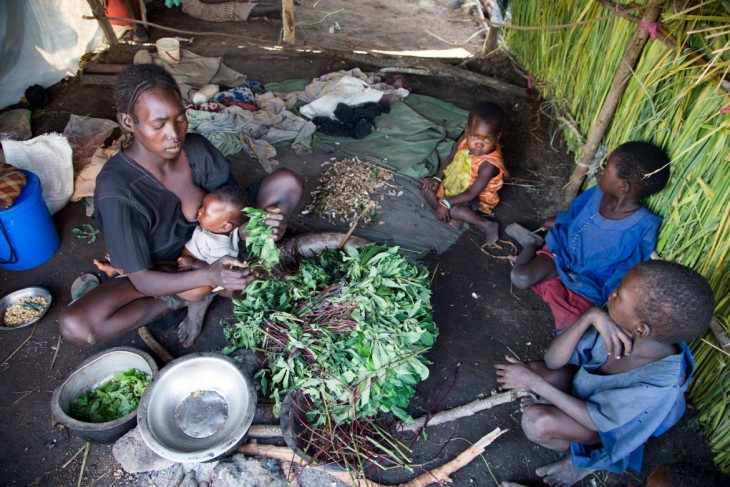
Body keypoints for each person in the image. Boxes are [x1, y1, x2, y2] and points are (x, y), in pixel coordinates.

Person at [59, 63, 303, 348]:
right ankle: (188, 299)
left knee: (287, 182)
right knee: (77, 326)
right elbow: (142, 281)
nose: (174, 134)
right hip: (165, 273)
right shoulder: (118, 191)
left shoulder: (195, 149)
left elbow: (231, 210)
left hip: (218, 243)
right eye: (158, 124)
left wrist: (260, 227)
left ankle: (217, 283)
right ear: (128, 122)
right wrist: (208, 275)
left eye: (180, 119)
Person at [495, 260, 715, 487]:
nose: (612, 293)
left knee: (535, 422)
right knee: (536, 372)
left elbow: (596, 421)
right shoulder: (624, 323)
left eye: (619, 293)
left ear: (641, 328)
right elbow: (552, 360)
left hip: (604, 430)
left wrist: (537, 385)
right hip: (587, 392)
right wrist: (590, 317)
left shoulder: (658, 384)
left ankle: (581, 460)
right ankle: (560, 416)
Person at [507, 141, 670, 331]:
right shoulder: (598, 193)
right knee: (520, 278)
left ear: (623, 187)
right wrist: (559, 220)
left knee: (574, 325)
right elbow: (576, 213)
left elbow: (627, 268)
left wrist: (606, 297)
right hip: (560, 255)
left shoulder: (644, 226)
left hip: (587, 284)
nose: (600, 172)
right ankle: (530, 243)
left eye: (606, 169)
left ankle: (546, 277)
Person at [422, 100, 509, 245]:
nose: (479, 144)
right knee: (426, 188)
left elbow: (471, 194)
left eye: (487, 139)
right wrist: (437, 179)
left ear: (497, 138)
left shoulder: (489, 165)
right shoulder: (464, 140)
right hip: (453, 183)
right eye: (474, 136)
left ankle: (486, 224)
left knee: (456, 210)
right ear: (467, 130)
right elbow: (450, 158)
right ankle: (446, 213)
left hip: (472, 198)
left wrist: (447, 203)